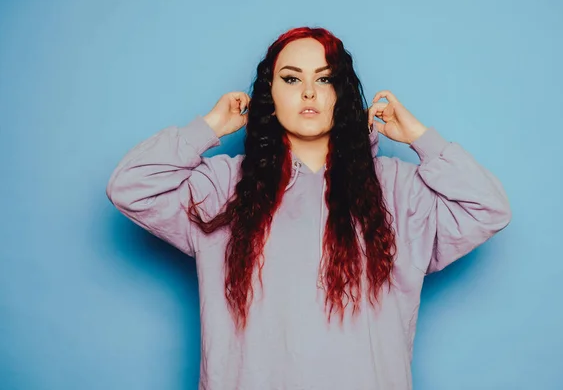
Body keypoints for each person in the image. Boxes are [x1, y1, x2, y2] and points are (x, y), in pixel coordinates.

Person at [106, 26, 511, 390]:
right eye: (291, 79)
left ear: (343, 94)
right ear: (269, 94)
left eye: (325, 79)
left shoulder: (398, 190)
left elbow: (489, 208)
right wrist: (207, 128)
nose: (308, 93)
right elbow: (130, 187)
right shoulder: (223, 187)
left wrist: (423, 139)